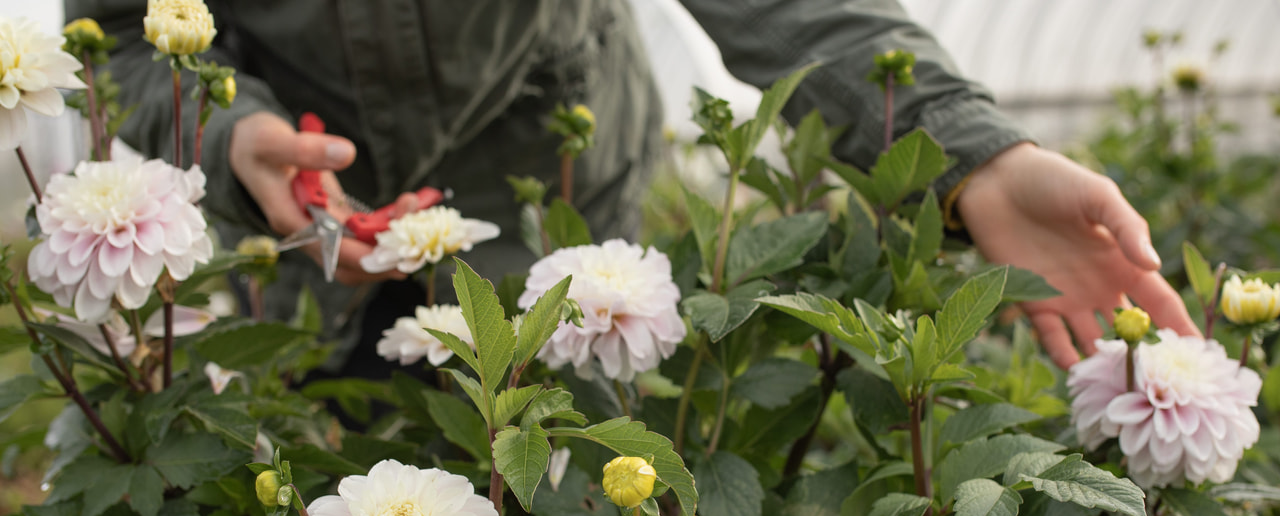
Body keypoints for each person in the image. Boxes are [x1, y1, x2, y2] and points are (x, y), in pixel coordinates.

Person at [70, 0, 1199, 372]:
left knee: (556, 485)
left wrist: (967, 153)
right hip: (301, 198)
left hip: (546, 174)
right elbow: (122, 29)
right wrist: (228, 135)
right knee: (329, 470)